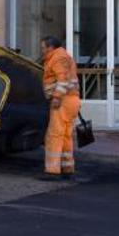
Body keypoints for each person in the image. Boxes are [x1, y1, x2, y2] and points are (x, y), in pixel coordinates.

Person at [39, 35, 81, 181]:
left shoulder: (57, 58)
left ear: (50, 47)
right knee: (65, 136)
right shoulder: (65, 57)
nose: (42, 50)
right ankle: (67, 167)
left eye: (43, 47)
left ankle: (52, 171)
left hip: (63, 101)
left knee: (54, 136)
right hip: (71, 100)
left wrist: (56, 97)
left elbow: (62, 79)